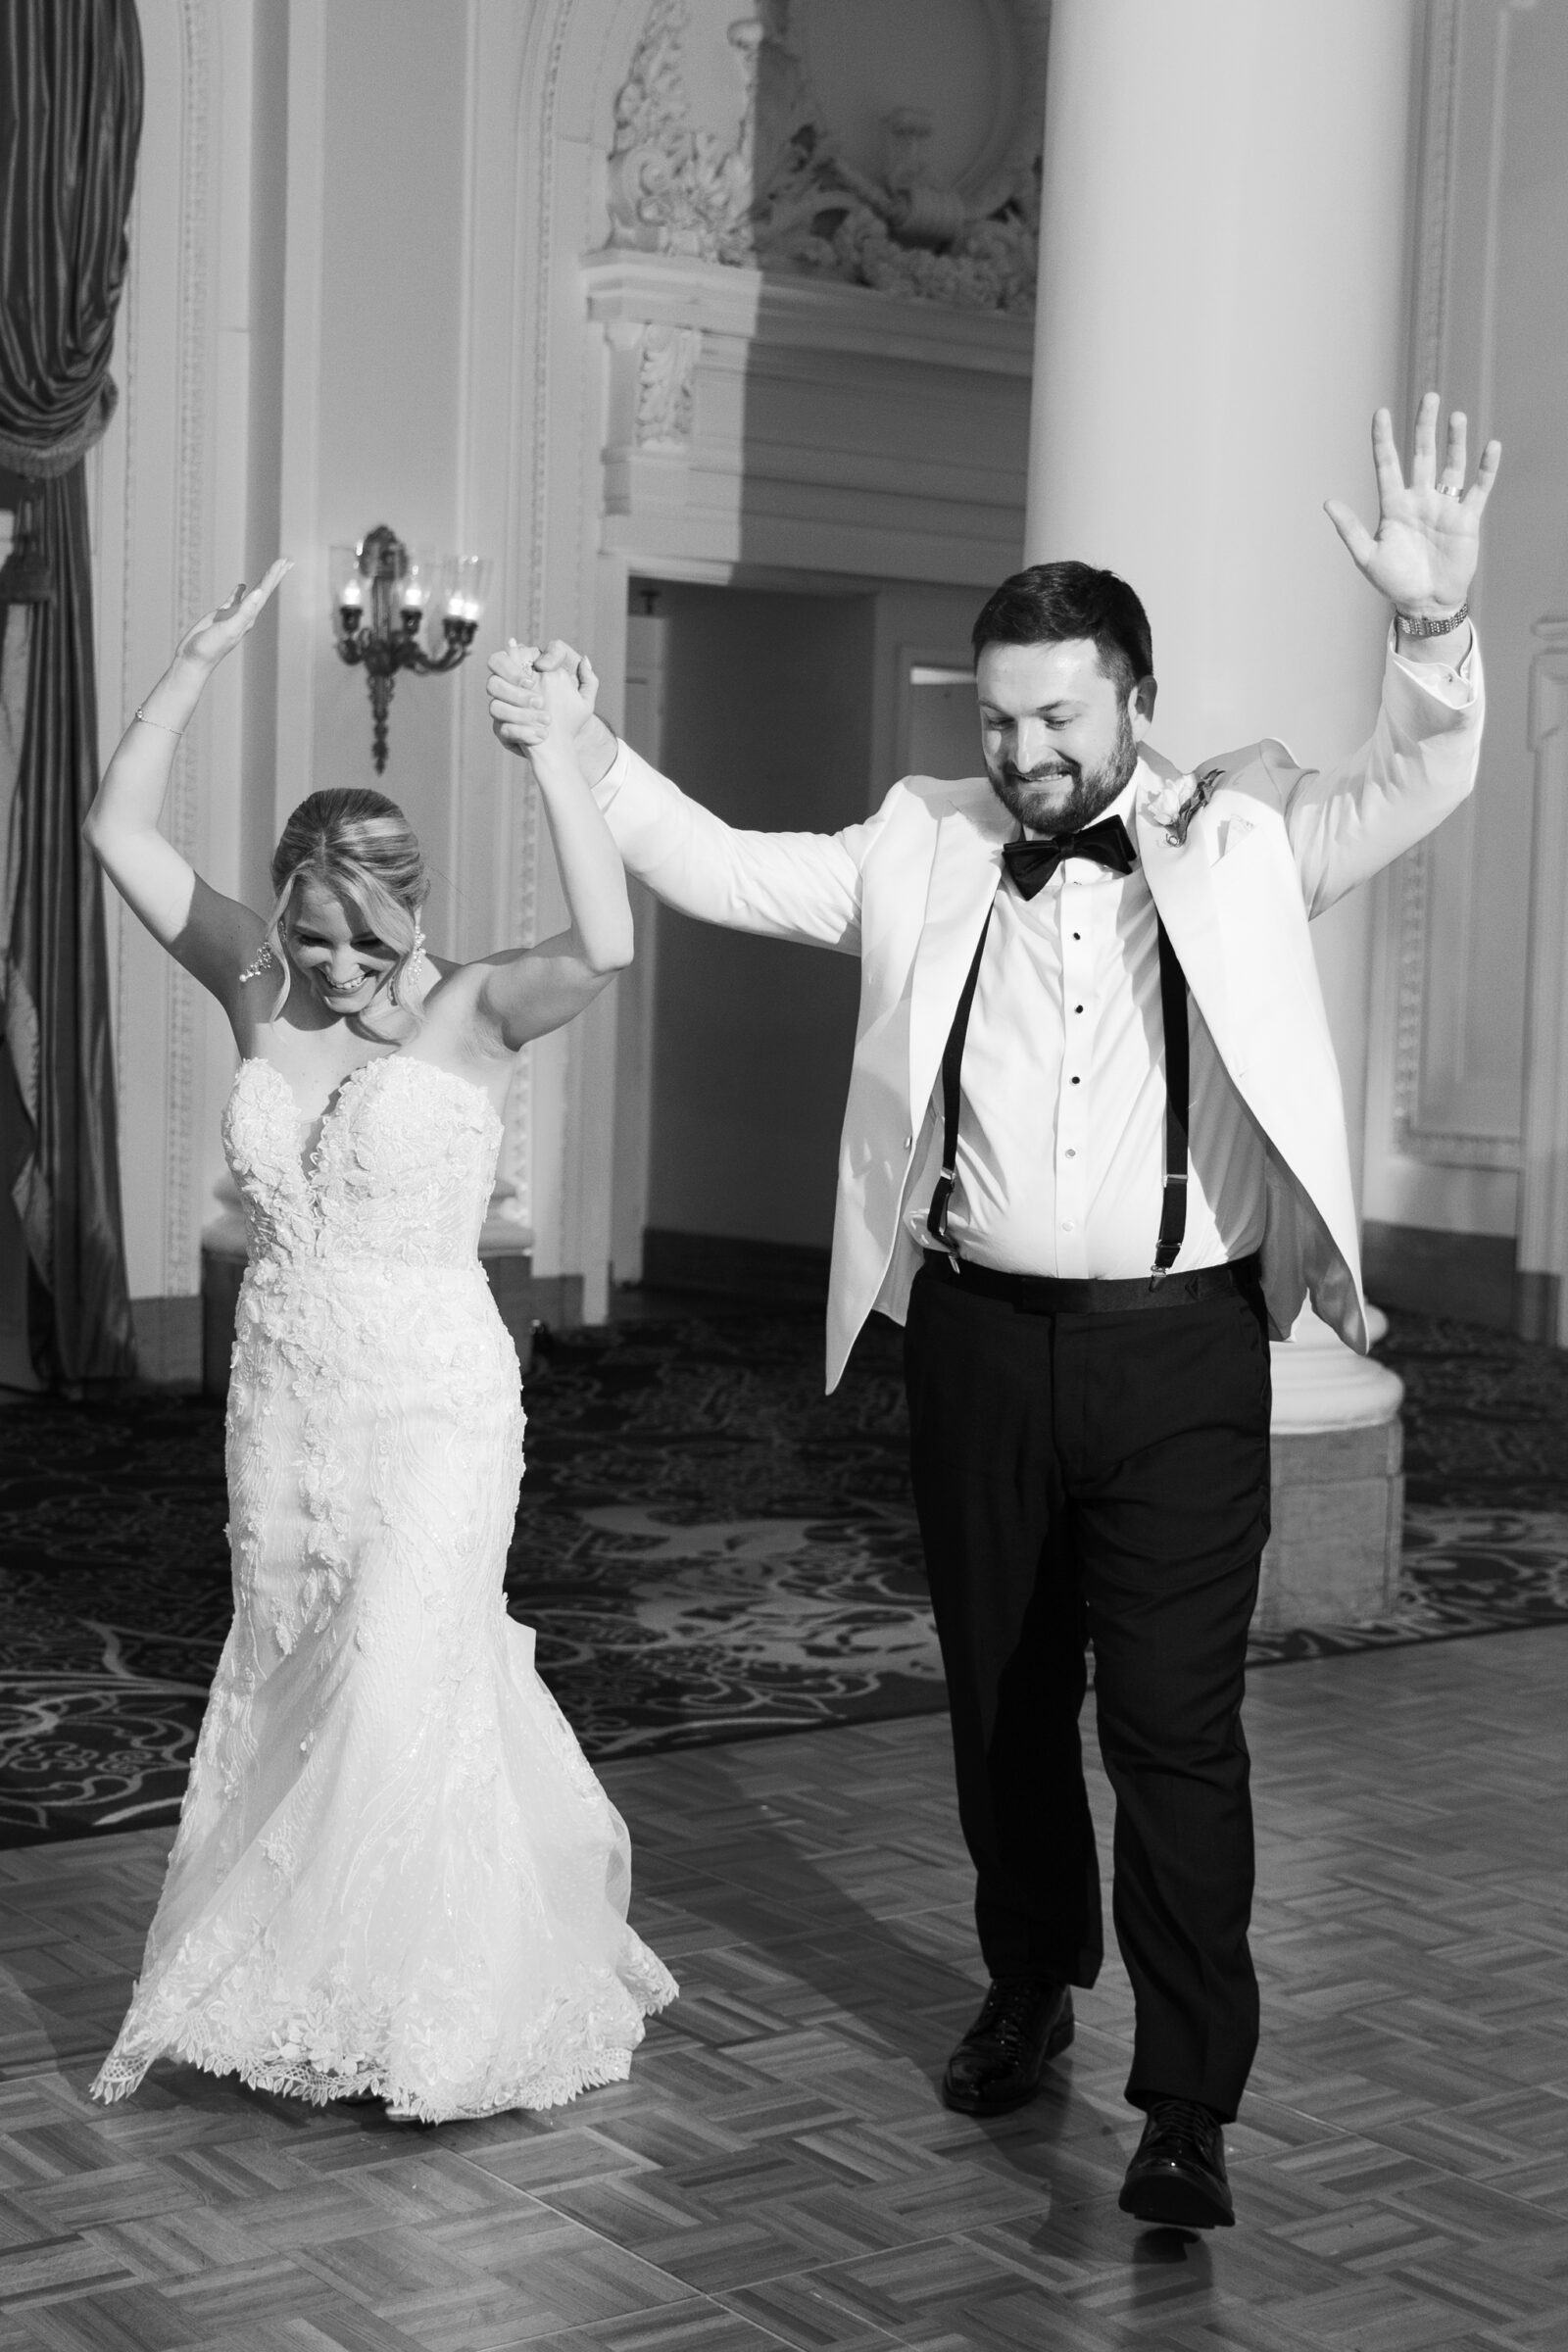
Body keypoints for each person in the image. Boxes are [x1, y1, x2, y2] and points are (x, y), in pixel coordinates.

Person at [489, 397, 1495, 2225]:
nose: (1025, 748)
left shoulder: (1239, 838)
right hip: (976, 1343)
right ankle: (1031, 1980)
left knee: (1177, 1729)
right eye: (1000, 714)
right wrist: (582, 748)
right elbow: (716, 865)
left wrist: (1429, 630)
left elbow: (1415, 780)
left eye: (1058, 714)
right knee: (1007, 1704)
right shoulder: (921, 841)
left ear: (1132, 700)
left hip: (1185, 1352)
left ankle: (1188, 2103)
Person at [84, 564, 676, 2123]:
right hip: (284, 1395)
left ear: (410, 911)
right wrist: (199, 660)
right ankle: (302, 1988)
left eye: (364, 941)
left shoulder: (477, 1008)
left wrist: (558, 758)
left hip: (432, 1395)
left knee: (408, 1660)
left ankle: (434, 2013)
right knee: (300, 1666)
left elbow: (609, 941)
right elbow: (113, 834)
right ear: (281, 910)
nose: (338, 973)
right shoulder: (255, 982)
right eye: (312, 936)